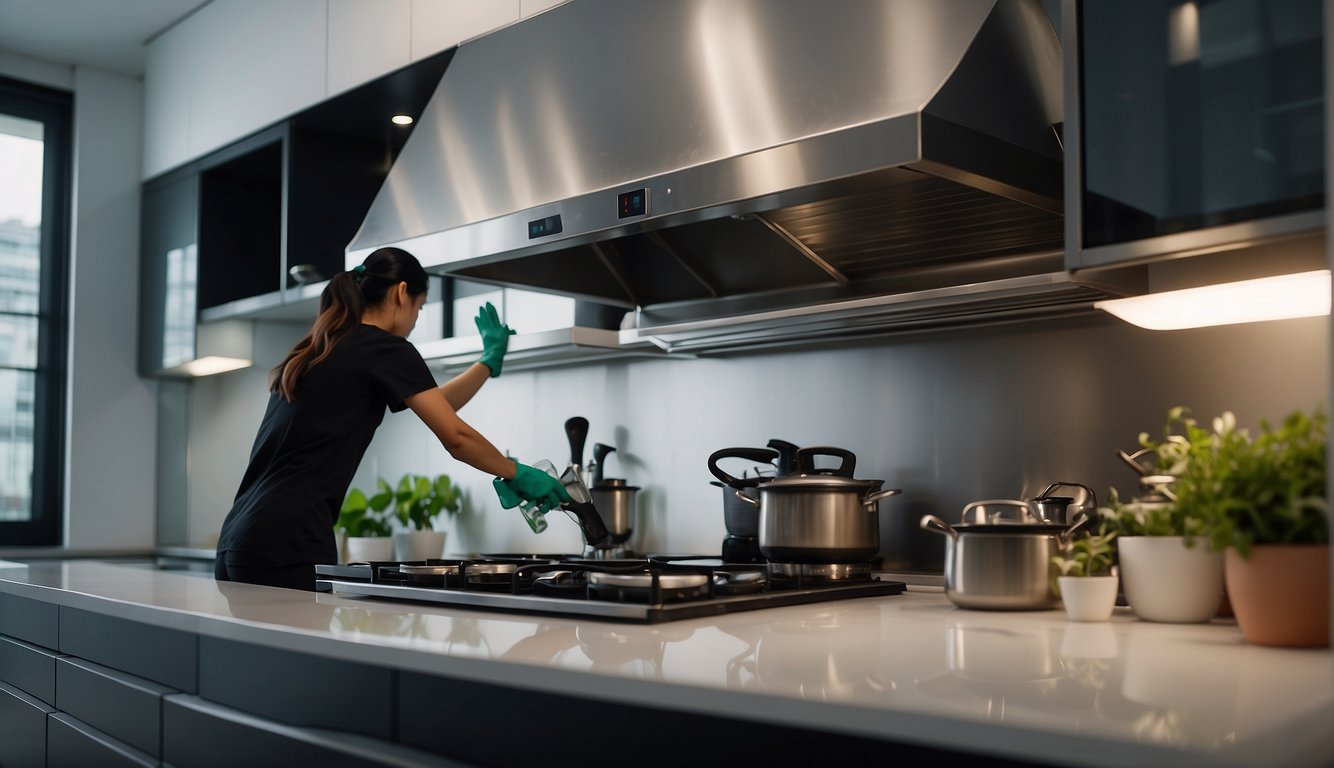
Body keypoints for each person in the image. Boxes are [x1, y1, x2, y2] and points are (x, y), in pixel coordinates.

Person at [214, 246, 569, 590]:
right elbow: (456, 437)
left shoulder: (324, 346)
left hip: (240, 537)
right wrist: (515, 471)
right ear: (402, 293)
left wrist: (488, 362)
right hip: (287, 541)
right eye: (420, 307)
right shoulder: (382, 346)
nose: (415, 320)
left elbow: (438, 409)